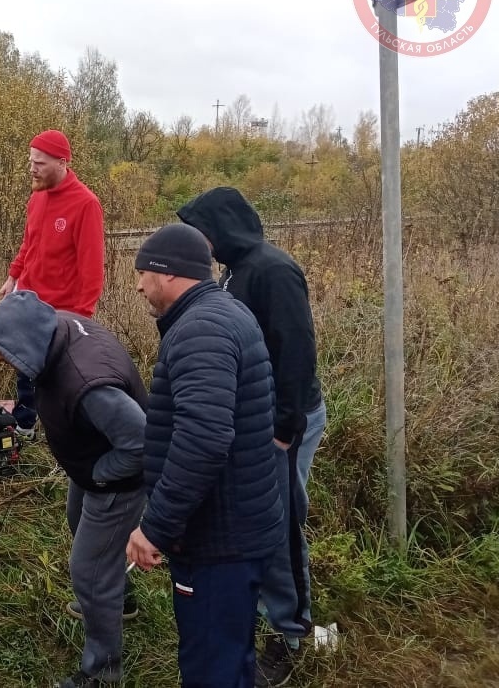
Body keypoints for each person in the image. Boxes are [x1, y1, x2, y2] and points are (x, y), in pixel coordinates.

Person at [177, 187, 326, 687]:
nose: (199, 240)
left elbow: (297, 351)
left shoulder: (272, 270)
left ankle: (292, 632)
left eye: (201, 229)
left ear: (221, 226)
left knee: (280, 522)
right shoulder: (235, 270)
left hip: (285, 423)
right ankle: (265, 612)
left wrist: (285, 428)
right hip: (256, 420)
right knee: (261, 518)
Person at [125, 223, 283, 688]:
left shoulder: (200, 331)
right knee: (231, 655)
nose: (138, 285)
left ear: (168, 274)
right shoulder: (222, 313)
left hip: (219, 540)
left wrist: (156, 526)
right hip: (237, 529)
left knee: (211, 666)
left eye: (142, 273)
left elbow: (205, 438)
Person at [0, 290, 145, 688]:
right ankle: (119, 598)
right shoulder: (58, 330)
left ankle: (102, 672)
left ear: (28, 344)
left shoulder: (90, 385)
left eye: (5, 352)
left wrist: (100, 472)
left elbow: (143, 442)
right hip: (91, 462)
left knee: (87, 569)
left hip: (119, 478)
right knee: (77, 518)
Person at [0, 130, 105, 438]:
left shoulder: (86, 204)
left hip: (62, 311)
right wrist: (12, 277)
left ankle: (67, 433)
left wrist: (82, 315)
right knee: (25, 369)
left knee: (61, 376)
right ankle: (25, 426)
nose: (32, 169)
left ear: (62, 162)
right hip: (28, 300)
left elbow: (92, 267)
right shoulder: (37, 198)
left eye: (40, 163)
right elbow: (28, 244)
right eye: (30, 161)